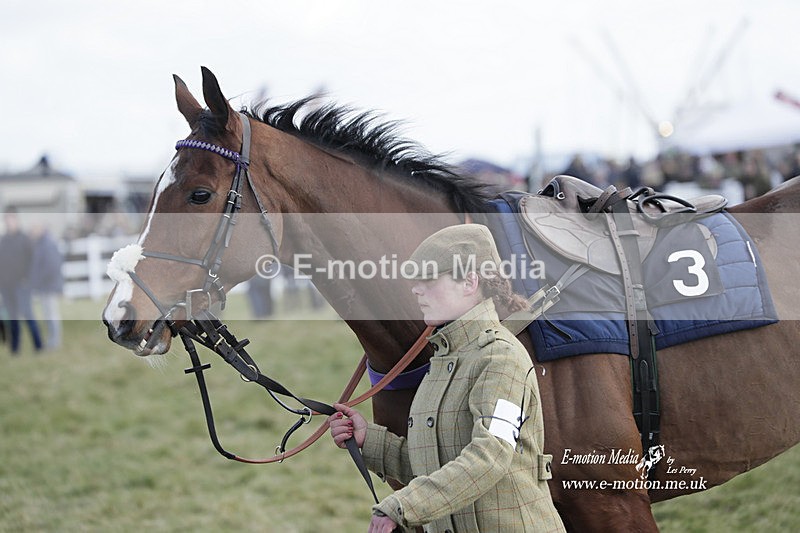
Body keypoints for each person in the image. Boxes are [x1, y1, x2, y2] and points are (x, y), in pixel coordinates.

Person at [329, 224, 565, 532]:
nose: (416, 289)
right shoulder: (441, 360)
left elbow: (490, 456)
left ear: (469, 282)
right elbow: (436, 464)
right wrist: (369, 440)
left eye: (428, 279)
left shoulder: (500, 358)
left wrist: (404, 505)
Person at [0, 210, 43, 354]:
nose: (9, 222)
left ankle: (38, 346)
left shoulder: (24, 239)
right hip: (7, 286)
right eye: (7, 220)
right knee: (12, 318)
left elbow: (33, 262)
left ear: (16, 220)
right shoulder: (3, 241)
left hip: (22, 285)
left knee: (27, 315)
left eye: (11, 219)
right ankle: (15, 348)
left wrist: (28, 280)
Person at [30, 224, 64, 350]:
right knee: (48, 314)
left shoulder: (47, 244)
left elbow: (51, 266)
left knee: (51, 314)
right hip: (46, 285)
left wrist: (39, 280)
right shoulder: (41, 243)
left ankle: (55, 342)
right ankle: (52, 340)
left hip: (48, 285)